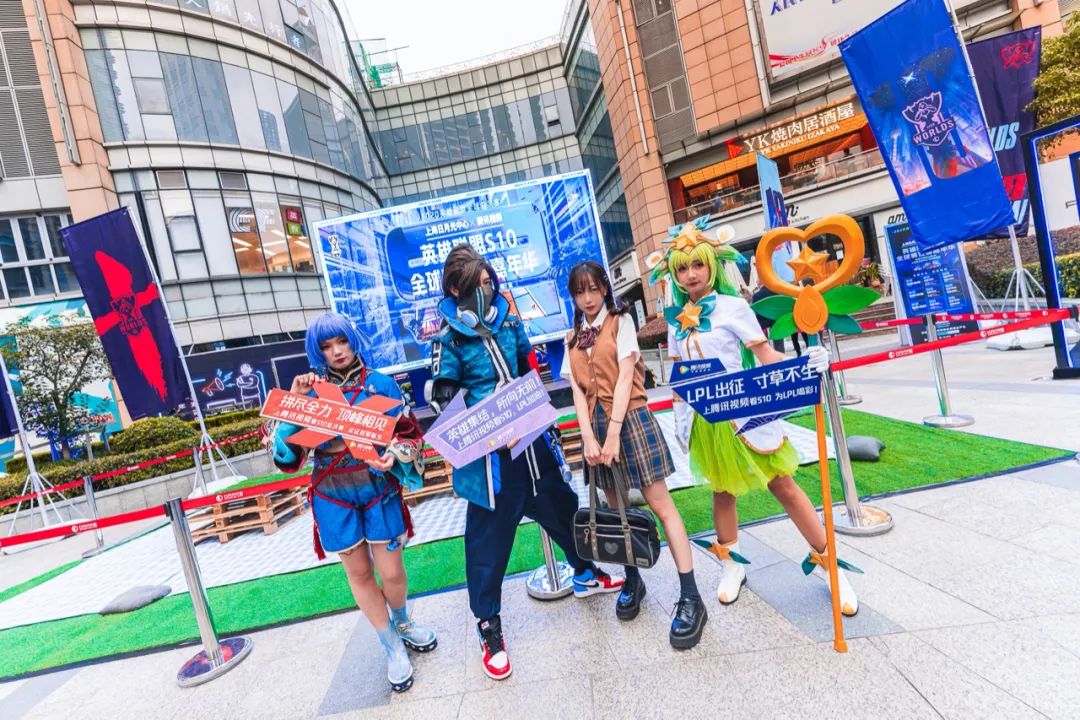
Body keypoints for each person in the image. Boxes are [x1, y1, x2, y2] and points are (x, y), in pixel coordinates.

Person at [427, 245, 622, 681]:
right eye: (479, 285)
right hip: (491, 463)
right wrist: (490, 421)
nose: (488, 289)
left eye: (489, 282)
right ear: (457, 290)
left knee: (562, 507)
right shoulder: (448, 340)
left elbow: (527, 371)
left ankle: (584, 571)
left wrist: (532, 411)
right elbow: (443, 401)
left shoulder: (510, 321)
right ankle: (488, 624)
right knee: (487, 543)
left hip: (531, 442)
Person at [654, 223, 860, 616]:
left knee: (784, 485)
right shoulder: (675, 319)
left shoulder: (733, 307)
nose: (691, 274)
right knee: (721, 491)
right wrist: (681, 422)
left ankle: (831, 567)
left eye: (698, 264)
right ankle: (732, 566)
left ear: (713, 265)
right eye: (682, 268)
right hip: (706, 421)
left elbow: (766, 357)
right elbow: (680, 377)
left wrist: (805, 365)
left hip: (744, 412)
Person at [270, 312, 437, 693]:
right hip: (332, 493)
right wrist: (293, 403)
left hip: (378, 487)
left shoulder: (381, 384)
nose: (337, 351)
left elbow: (410, 433)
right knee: (360, 574)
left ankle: (403, 622)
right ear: (318, 352)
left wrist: (394, 454)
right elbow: (287, 458)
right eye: (327, 346)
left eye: (342, 341)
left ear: (352, 340)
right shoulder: (310, 393)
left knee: (391, 572)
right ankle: (390, 644)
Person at [561, 260, 707, 649]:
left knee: (661, 506)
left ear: (605, 289)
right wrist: (588, 437)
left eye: (594, 289)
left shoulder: (620, 321)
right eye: (580, 292)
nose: (588, 298)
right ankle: (633, 579)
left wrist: (612, 433)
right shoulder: (572, 339)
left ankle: (691, 596)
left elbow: (626, 377)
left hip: (631, 421)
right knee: (617, 509)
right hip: (596, 430)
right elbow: (577, 392)